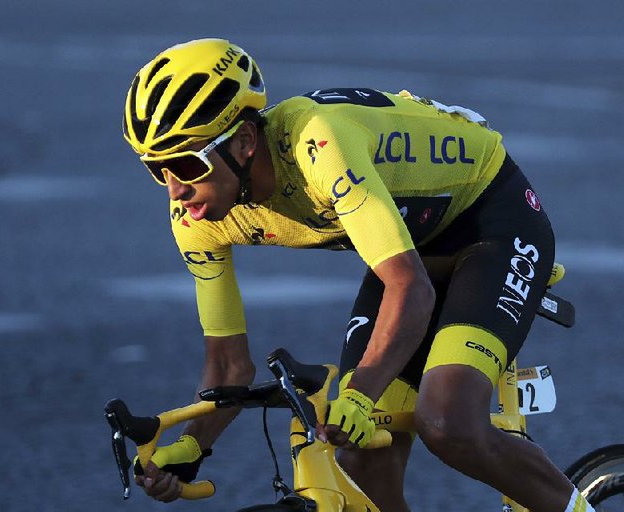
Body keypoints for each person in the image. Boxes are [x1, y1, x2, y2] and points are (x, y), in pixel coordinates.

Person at [123, 38, 594, 512]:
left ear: (245, 142)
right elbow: (228, 368)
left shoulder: (319, 145)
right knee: (364, 458)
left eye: (186, 163)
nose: (176, 189)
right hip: (414, 246)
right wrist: (191, 449)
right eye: (156, 169)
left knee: (447, 422)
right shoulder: (195, 217)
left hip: (492, 224)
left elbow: (409, 291)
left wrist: (360, 396)